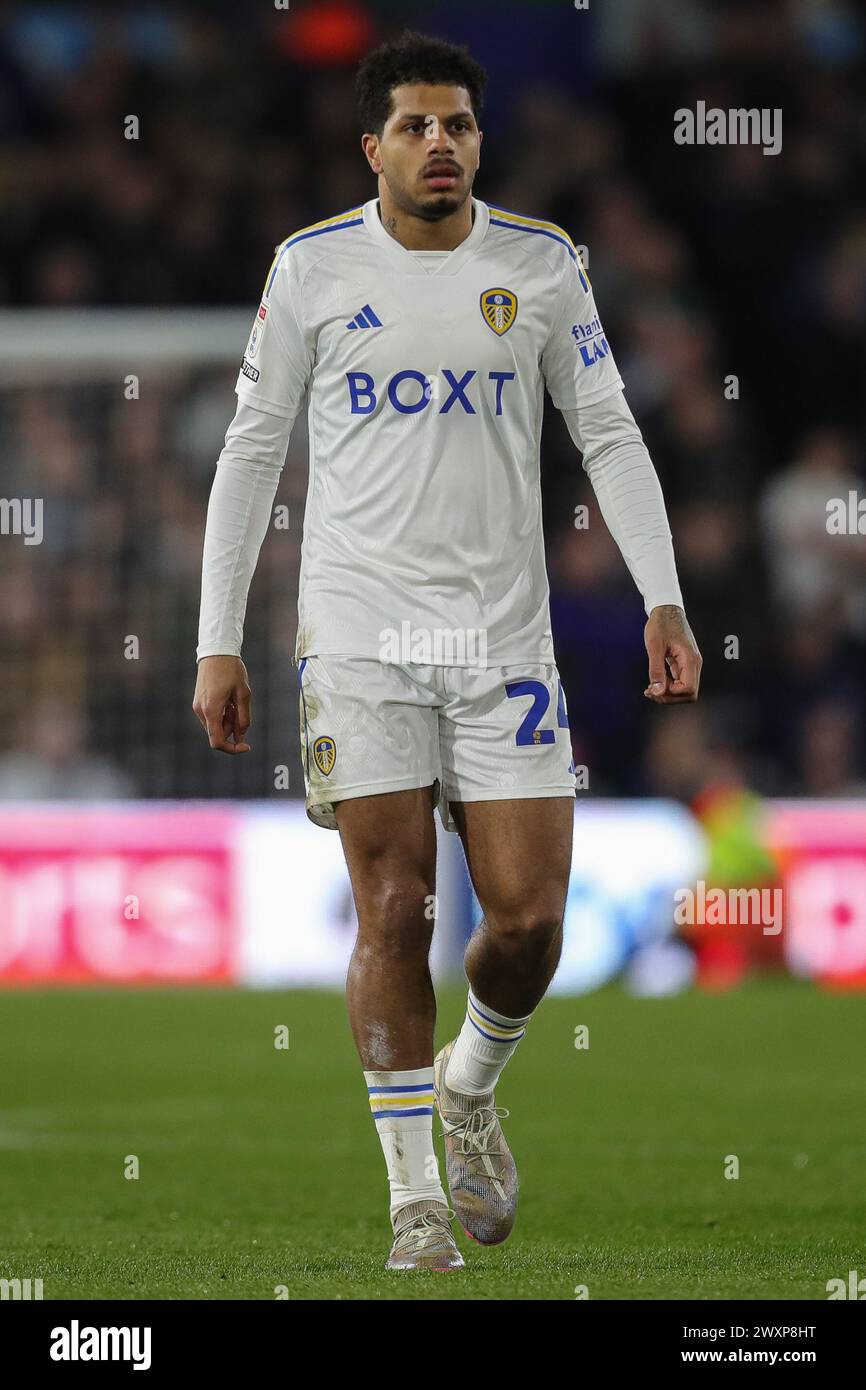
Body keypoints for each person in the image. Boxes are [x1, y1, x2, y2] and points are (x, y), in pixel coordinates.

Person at [193, 30, 701, 1272]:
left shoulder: (541, 268)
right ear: (372, 147)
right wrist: (216, 640)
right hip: (360, 635)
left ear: (480, 141)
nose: (440, 145)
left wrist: (665, 597)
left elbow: (611, 435)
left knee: (527, 925)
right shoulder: (309, 270)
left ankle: (468, 1086)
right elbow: (251, 452)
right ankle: (412, 1192)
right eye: (416, 126)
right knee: (394, 902)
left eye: (458, 126)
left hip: (500, 641)